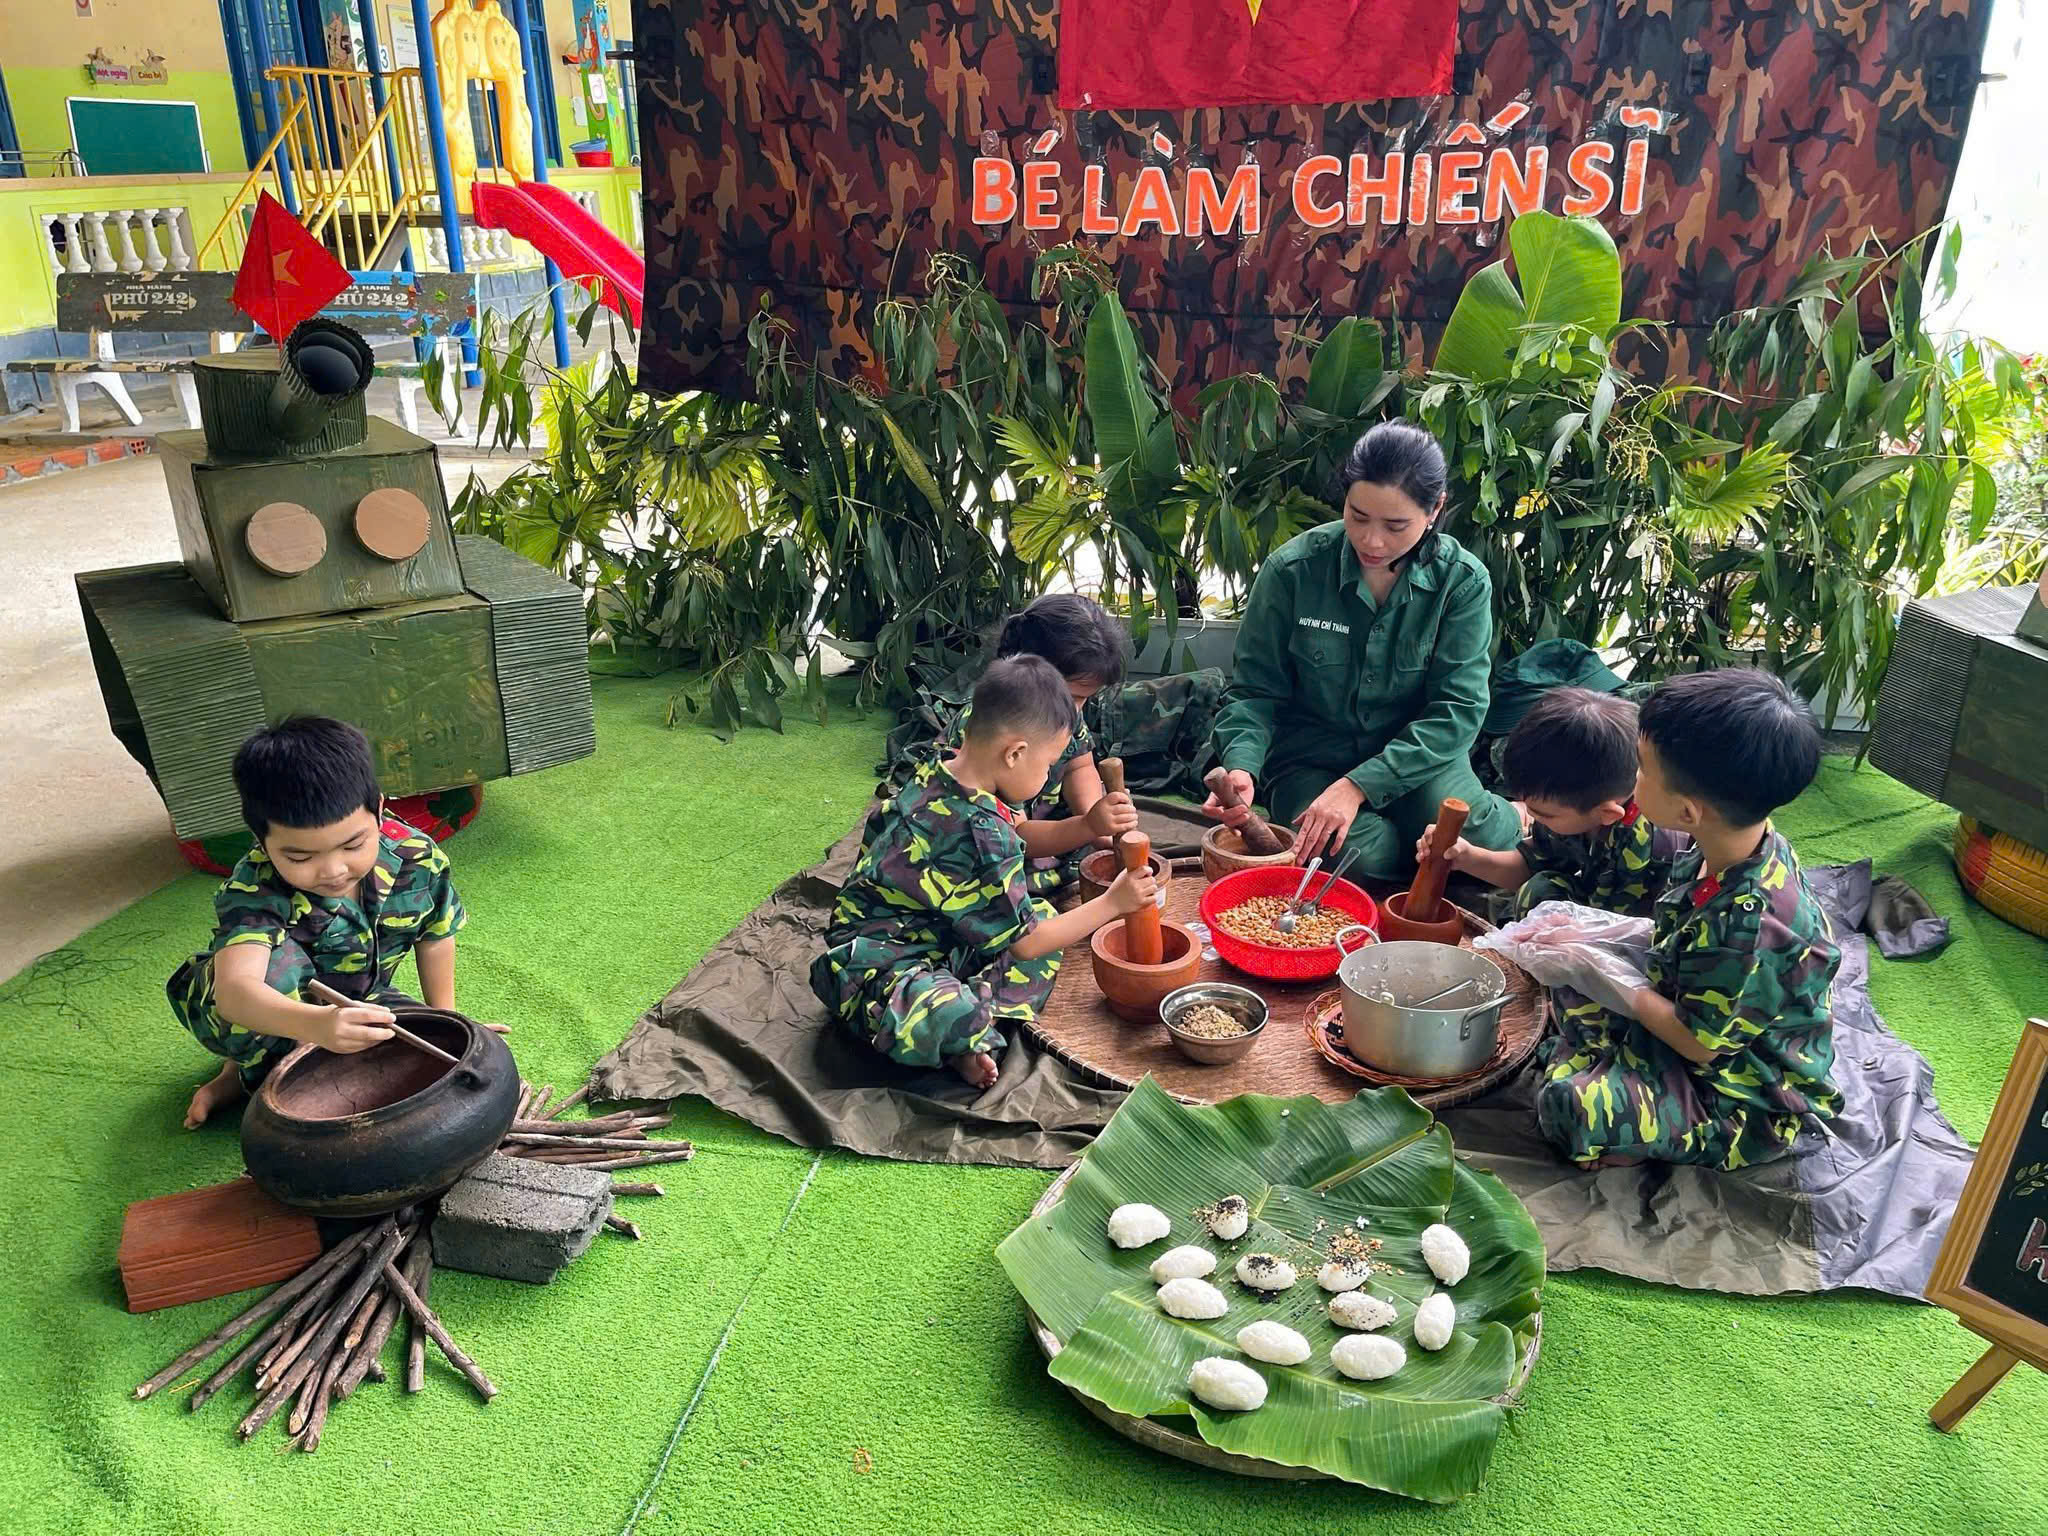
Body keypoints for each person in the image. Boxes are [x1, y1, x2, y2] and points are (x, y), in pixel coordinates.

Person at [1534, 670, 1842, 1170]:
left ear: (1688, 812)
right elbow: (1674, 936)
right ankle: (1608, 1068)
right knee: (1560, 966)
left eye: (1641, 769)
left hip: (1735, 1090)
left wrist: (1604, 973)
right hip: (1680, 1001)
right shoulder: (1724, 847)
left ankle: (1642, 1119)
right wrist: (1593, 940)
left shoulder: (1752, 924)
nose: (1633, 780)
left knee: (1570, 1108)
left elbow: (1700, 1045)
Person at [813, 656, 1159, 1090]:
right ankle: (965, 1032)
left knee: (1044, 917)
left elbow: (1020, 849)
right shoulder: (981, 832)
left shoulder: (945, 769)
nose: (1046, 777)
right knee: (970, 996)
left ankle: (966, 1024)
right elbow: (1027, 944)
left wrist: (1089, 826)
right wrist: (1114, 903)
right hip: (877, 962)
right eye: (1047, 765)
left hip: (943, 936)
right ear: (1015, 754)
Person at [1204, 422, 1520, 880]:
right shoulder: (1292, 570)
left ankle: (1514, 814)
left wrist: (1358, 786)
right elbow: (1255, 692)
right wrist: (1242, 766)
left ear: (1435, 509)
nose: (1372, 541)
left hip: (1418, 759)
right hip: (1310, 758)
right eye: (1358, 516)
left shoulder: (1462, 583)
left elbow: (1458, 709)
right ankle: (1408, 851)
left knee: (1477, 842)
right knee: (1356, 857)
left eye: (1395, 526)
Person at [167, 717, 466, 1129]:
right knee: (279, 1007)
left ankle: (252, 1068)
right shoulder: (254, 889)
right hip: (245, 1008)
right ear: (260, 839)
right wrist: (317, 1026)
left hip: (356, 997)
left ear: (379, 810)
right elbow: (236, 995)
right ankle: (247, 1071)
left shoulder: (415, 857)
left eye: (353, 844)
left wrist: (450, 1023)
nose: (333, 870)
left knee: (416, 1050)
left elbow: (436, 936)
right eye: (300, 857)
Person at [906, 593, 1140, 892]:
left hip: (1047, 829)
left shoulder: (1057, 709)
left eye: (1085, 699)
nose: (1075, 710)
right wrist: (1088, 826)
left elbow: (1080, 765)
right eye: (1074, 697)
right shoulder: (988, 738)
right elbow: (1015, 835)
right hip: (990, 850)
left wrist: (1097, 820)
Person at [1419, 687, 1692, 918]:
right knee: (1540, 889)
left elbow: (1620, 929)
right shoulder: (1577, 804)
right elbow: (1530, 866)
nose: (1533, 817)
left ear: (1607, 813)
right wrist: (1467, 857)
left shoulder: (1645, 844)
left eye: (1545, 815)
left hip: (1637, 929)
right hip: (1596, 907)